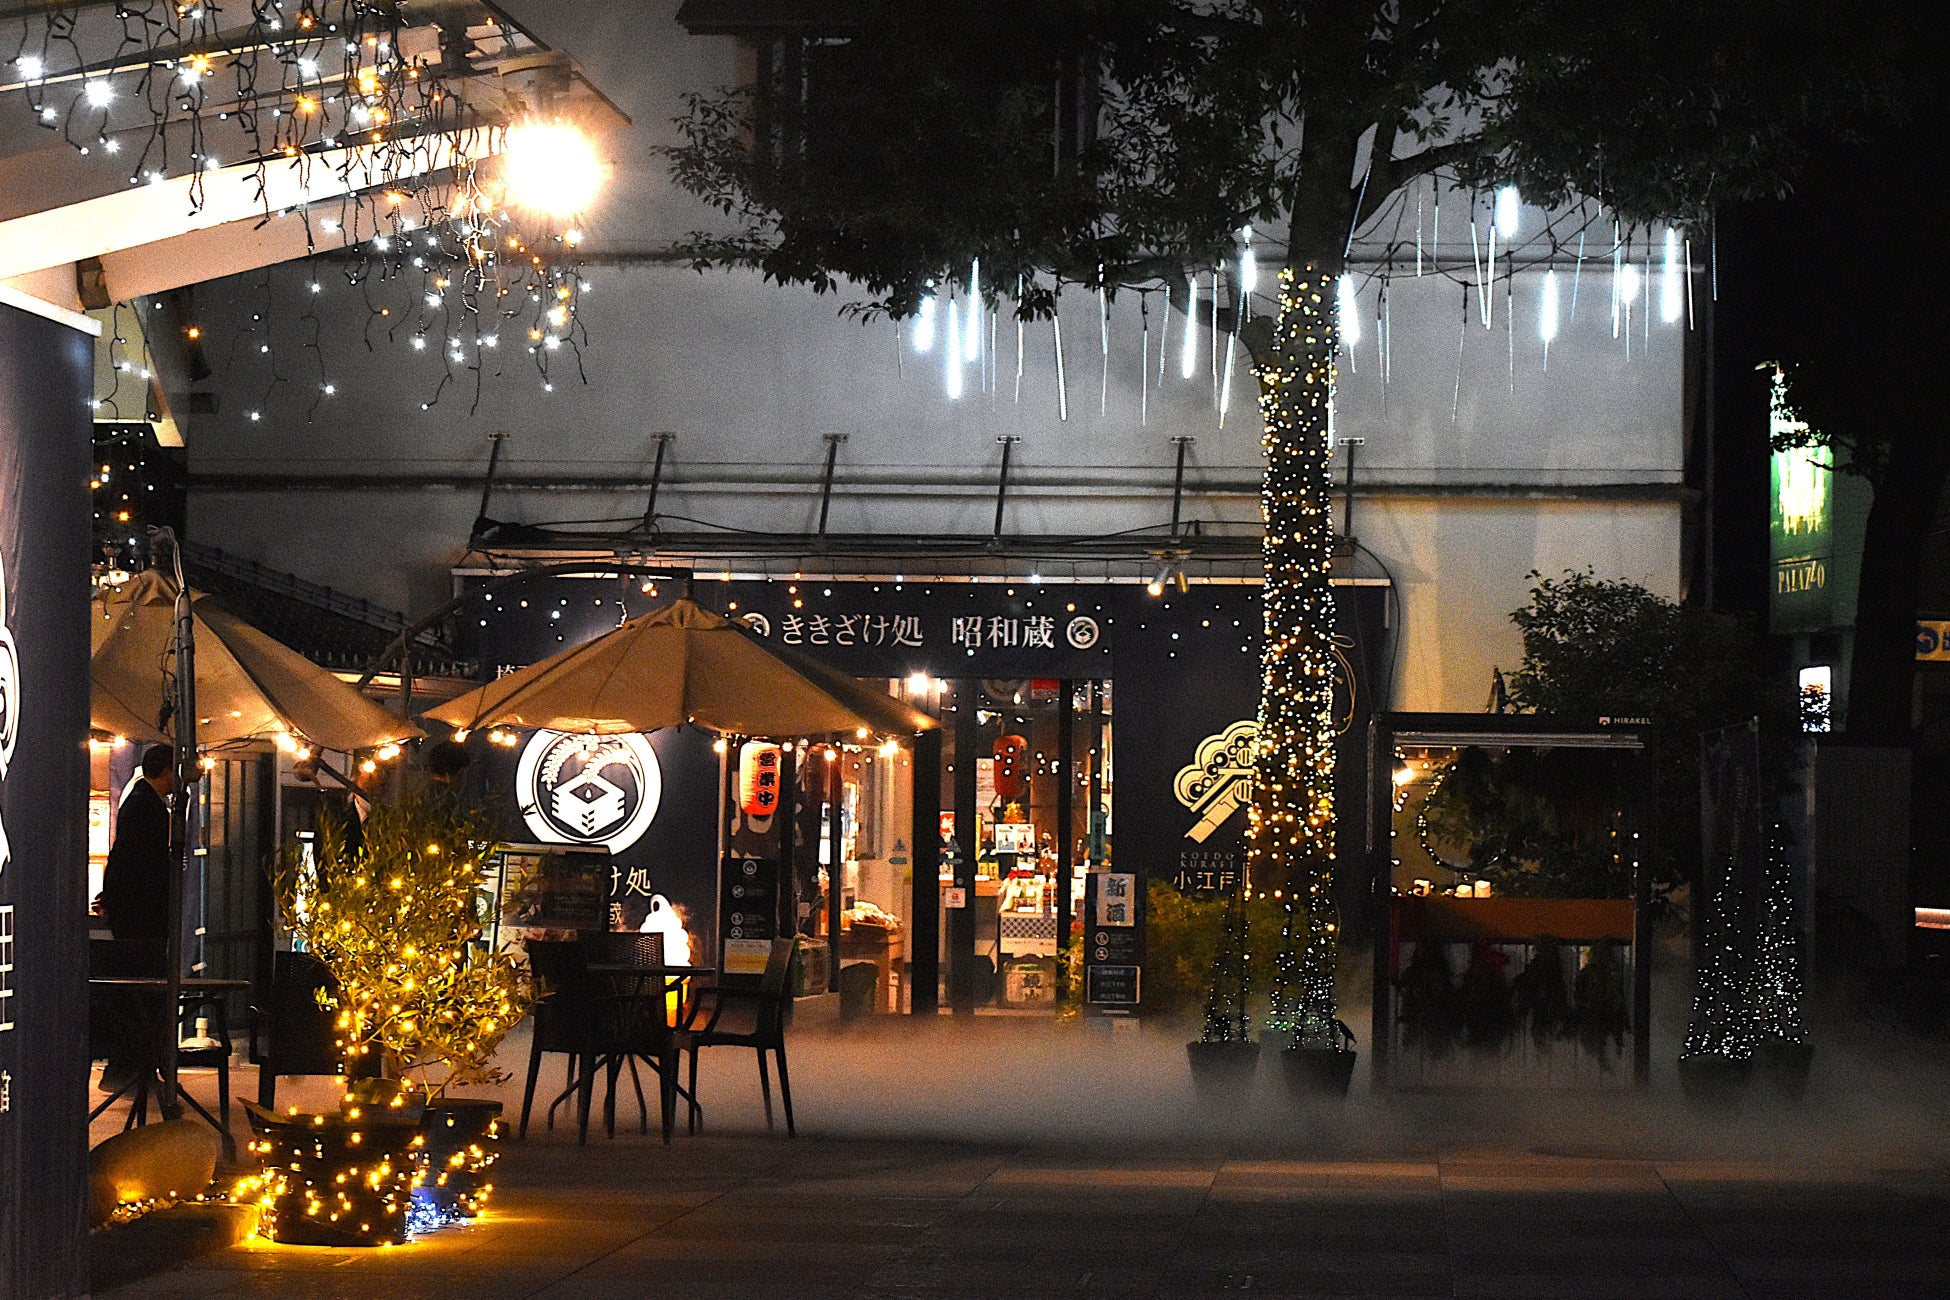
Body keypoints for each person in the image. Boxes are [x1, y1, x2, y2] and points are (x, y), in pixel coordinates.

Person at [97, 744, 176, 1092]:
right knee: (141, 992)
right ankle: (132, 1066)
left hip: (137, 913)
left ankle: (136, 1066)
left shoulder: (144, 802)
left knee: (141, 992)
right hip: (141, 916)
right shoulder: (145, 805)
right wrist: (113, 897)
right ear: (166, 771)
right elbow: (128, 859)